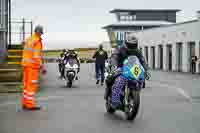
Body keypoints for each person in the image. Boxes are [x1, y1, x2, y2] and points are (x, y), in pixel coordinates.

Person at [104, 34, 147, 107]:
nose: (132, 46)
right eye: (130, 45)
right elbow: (114, 57)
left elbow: (142, 60)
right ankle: (114, 100)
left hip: (133, 69)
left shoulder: (138, 51)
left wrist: (145, 69)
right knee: (119, 80)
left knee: (140, 80)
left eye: (133, 45)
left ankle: (134, 94)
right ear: (126, 43)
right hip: (121, 68)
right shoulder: (120, 49)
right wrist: (115, 65)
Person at [21, 25, 46, 110]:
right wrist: (42, 66)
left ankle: (25, 103)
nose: (41, 35)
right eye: (41, 33)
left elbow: (25, 49)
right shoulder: (37, 41)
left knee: (26, 85)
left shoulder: (29, 39)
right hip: (32, 67)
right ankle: (30, 105)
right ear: (39, 32)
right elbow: (36, 56)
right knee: (31, 86)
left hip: (25, 65)